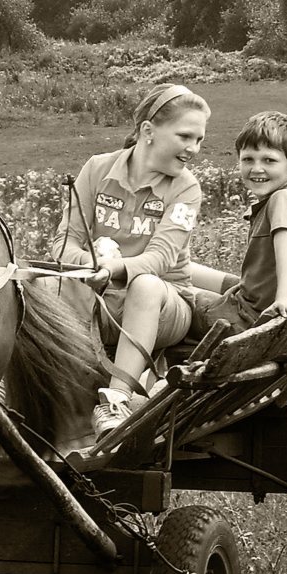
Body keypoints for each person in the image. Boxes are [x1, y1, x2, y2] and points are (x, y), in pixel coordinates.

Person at [49, 83, 210, 436]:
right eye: (185, 136)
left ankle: (116, 401)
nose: (193, 148)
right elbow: (64, 242)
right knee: (41, 286)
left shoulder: (186, 188)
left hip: (164, 304)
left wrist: (114, 269)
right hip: (99, 295)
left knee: (146, 285)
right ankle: (47, 393)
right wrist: (91, 265)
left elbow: (161, 257)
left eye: (199, 139)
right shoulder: (97, 169)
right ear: (148, 131)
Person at [189, 111, 287, 337]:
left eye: (269, 160)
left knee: (177, 297)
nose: (256, 168)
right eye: (248, 159)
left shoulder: (283, 199)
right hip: (255, 301)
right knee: (182, 270)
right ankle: (164, 267)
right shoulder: (282, 198)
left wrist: (284, 299)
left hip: (252, 318)